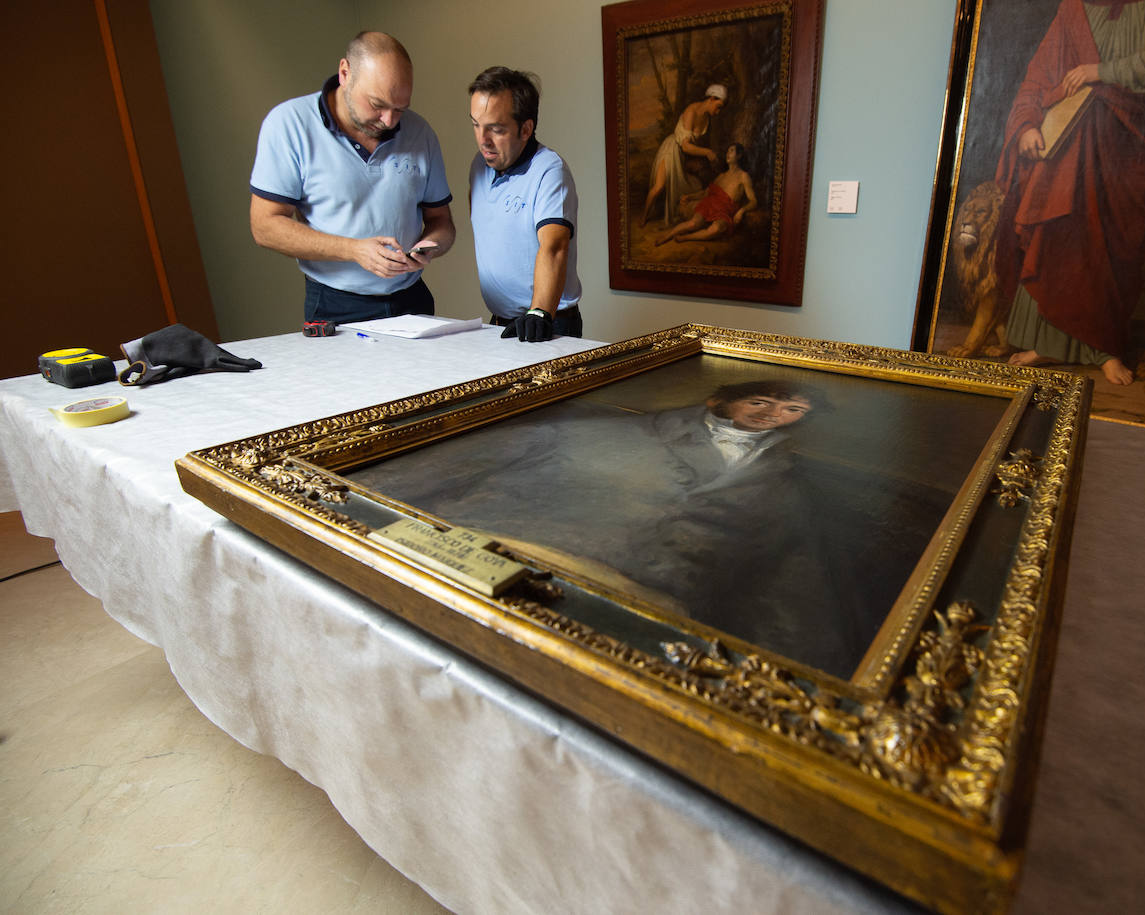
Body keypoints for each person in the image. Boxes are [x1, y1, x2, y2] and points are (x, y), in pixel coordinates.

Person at [352, 380, 949, 677]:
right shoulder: (641, 431)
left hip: (670, 606)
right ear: (723, 401)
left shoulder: (786, 476)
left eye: (793, 410)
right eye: (762, 402)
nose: (775, 415)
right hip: (550, 556)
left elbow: (783, 561)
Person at [993, 0, 1145, 385]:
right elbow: (1037, 77)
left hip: (1127, 146)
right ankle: (1047, 342)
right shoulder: (1074, 9)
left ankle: (1103, 348)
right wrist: (1025, 126)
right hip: (1064, 147)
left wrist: (1103, 71)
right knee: (1056, 236)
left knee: (1109, 244)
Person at [249, 32, 455, 324]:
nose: (389, 120)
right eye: (377, 104)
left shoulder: (420, 132)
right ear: (345, 73)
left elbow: (442, 222)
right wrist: (355, 250)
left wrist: (430, 246)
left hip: (412, 298)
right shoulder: (289, 124)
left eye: (400, 109)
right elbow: (264, 226)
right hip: (335, 304)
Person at [467, 67, 583, 343]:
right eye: (475, 124)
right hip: (499, 324)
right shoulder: (479, 166)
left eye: (495, 129)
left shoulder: (549, 171)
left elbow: (554, 248)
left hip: (547, 323)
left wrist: (540, 312)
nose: (483, 140)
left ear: (526, 129)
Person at [641, 85, 728, 227]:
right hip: (671, 150)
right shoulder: (691, 112)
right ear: (711, 99)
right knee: (659, 186)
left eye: (720, 109)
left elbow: (692, 147)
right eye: (718, 106)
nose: (718, 112)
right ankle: (644, 218)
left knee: (695, 186)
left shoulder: (707, 118)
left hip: (682, 157)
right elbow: (686, 146)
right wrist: (706, 152)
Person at [655, 144, 757, 246]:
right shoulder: (721, 176)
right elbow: (705, 193)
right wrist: (689, 196)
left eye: (731, 151)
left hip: (725, 211)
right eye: (727, 151)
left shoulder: (744, 176)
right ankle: (667, 236)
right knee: (693, 223)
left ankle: (686, 237)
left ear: (739, 155)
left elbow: (753, 201)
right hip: (710, 205)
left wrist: (741, 211)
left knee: (716, 229)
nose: (727, 154)